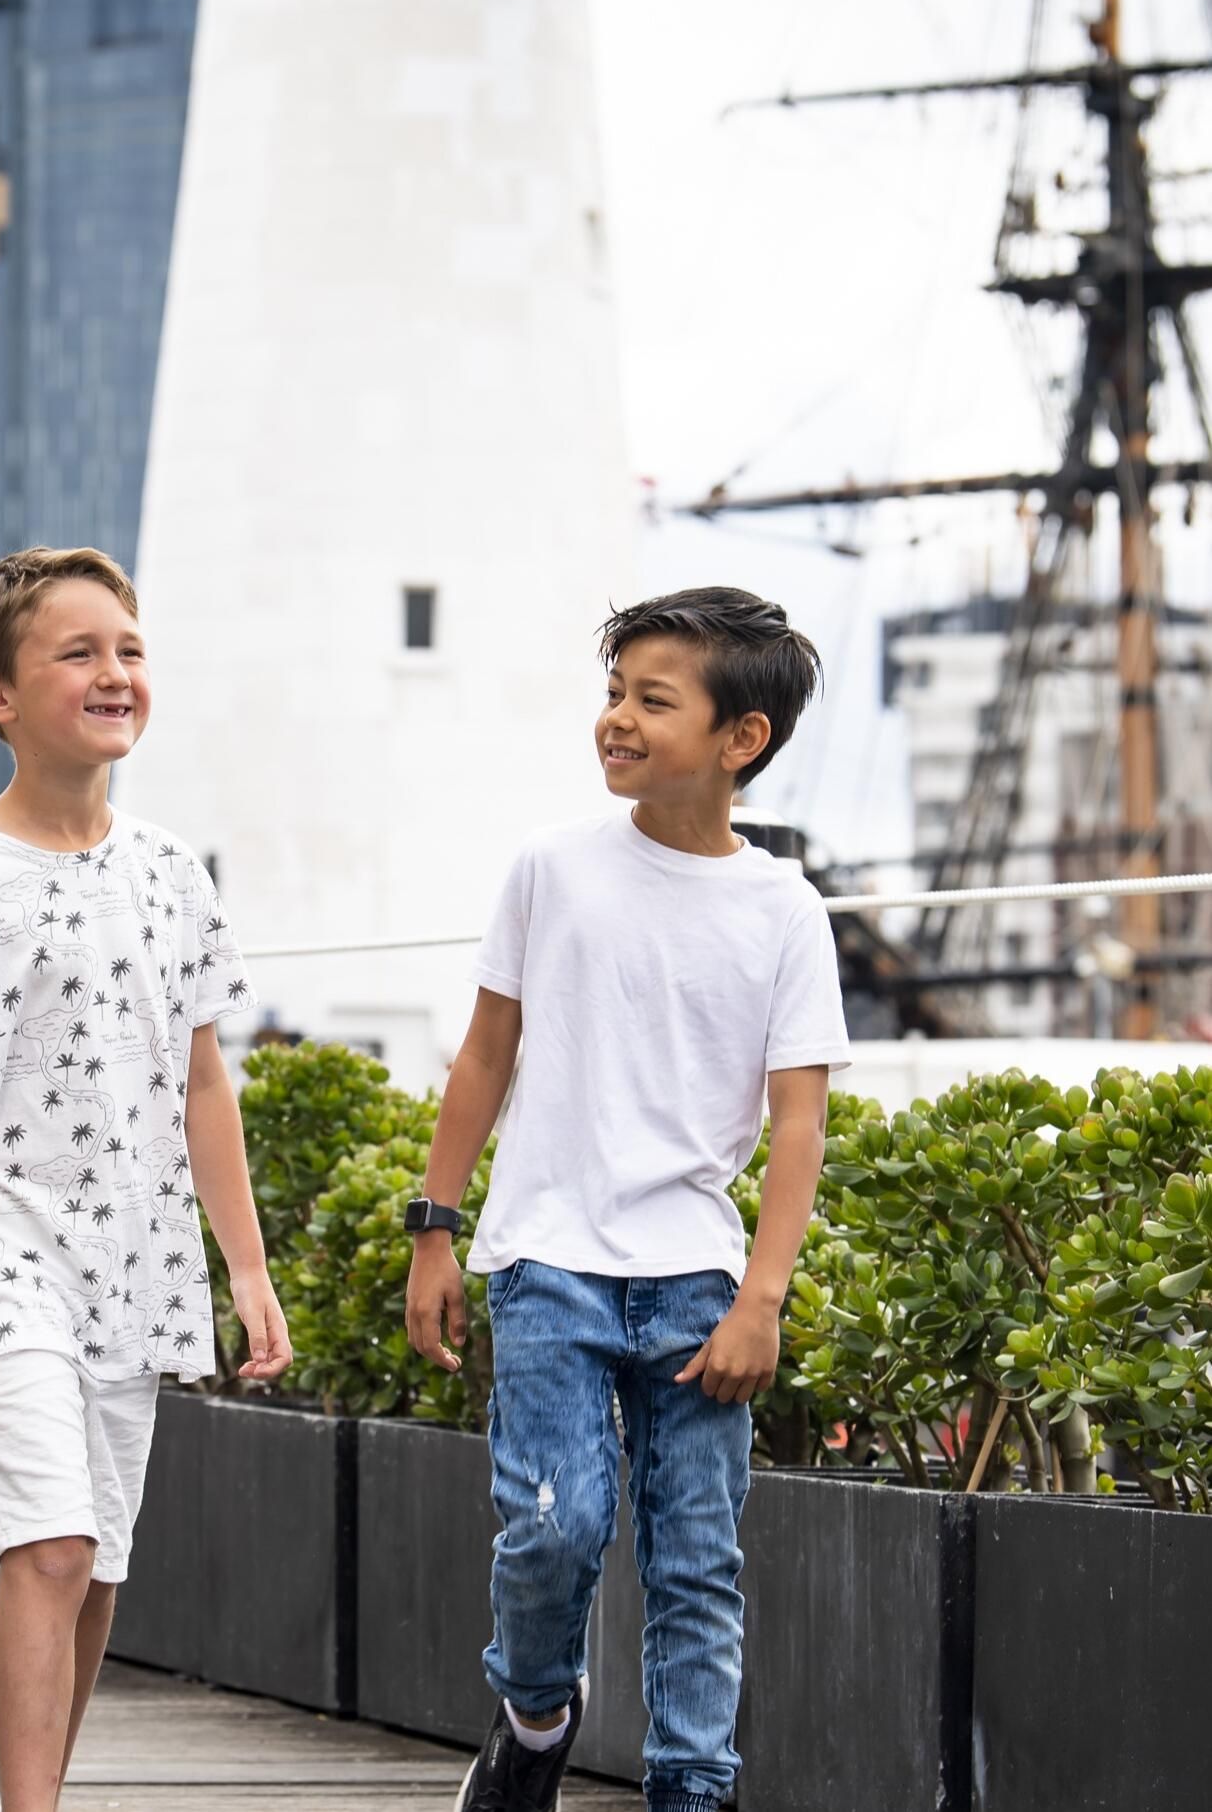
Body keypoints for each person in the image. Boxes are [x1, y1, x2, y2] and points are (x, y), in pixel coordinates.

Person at [405, 587, 850, 1812]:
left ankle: (692, 1792)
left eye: (651, 700)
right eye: (613, 694)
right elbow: (485, 1055)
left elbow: (798, 1119)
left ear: (737, 739)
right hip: (547, 1259)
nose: (615, 720)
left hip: (698, 1279)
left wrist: (762, 1301)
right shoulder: (552, 866)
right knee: (553, 1527)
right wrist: (433, 1230)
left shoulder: (784, 909)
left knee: (696, 1561)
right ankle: (535, 1714)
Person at [0, 545, 291, 1812]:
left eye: (130, 650)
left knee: (95, 1563)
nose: (114, 673)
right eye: (77, 653)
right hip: (3, 1254)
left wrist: (247, 1268)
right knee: (45, 1542)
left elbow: (203, 1082)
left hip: (139, 1261)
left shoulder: (170, 873)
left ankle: (46, 1785)